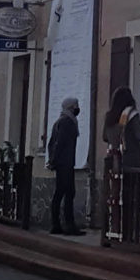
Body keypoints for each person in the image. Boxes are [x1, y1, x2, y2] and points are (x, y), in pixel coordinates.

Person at [47, 96, 85, 236]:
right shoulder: (67, 122)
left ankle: (57, 224)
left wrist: (52, 160)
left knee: (61, 193)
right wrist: (55, 160)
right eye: (76, 105)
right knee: (68, 193)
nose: (77, 108)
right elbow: (60, 143)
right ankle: (68, 225)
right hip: (65, 163)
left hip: (62, 163)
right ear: (70, 107)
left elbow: (52, 143)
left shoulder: (59, 121)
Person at [103, 86, 140, 170]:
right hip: (131, 159)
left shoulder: (109, 116)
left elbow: (104, 137)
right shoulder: (131, 114)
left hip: (113, 158)